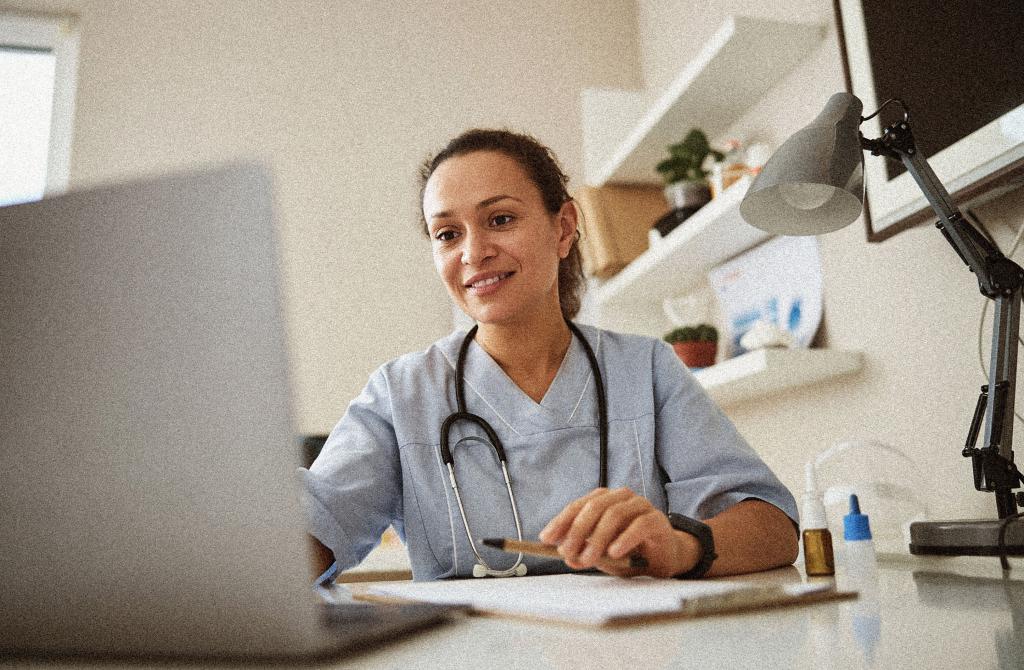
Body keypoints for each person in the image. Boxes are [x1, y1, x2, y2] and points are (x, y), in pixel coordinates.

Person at [301, 129, 798, 581]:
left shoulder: (644, 370)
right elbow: (312, 531)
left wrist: (680, 545)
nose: (473, 253)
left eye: (500, 219)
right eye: (448, 234)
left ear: (562, 229)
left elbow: (772, 526)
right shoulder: (401, 394)